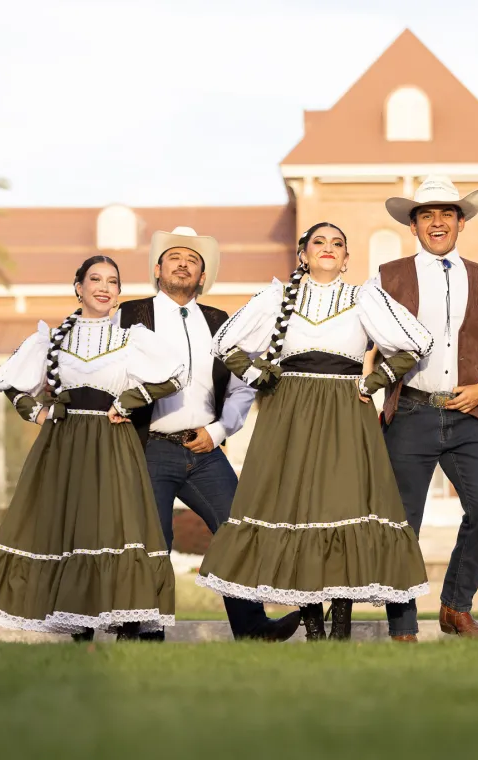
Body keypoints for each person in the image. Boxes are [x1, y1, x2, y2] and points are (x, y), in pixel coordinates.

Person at [196, 222, 432, 640]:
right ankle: (313, 626)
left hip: (345, 411)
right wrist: (259, 375)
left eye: (337, 244)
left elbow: (416, 342)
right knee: (295, 510)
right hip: (288, 414)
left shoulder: (365, 297)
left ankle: (340, 629)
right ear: (302, 254)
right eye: (318, 242)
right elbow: (225, 343)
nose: (328, 249)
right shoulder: (277, 297)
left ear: (346, 259)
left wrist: (372, 382)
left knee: (340, 509)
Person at [0, 256, 182, 640]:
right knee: (69, 527)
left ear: (118, 293)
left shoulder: (132, 339)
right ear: (77, 286)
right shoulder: (51, 340)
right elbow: (11, 384)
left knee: (115, 526)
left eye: (112, 281)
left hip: (112, 443)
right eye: (94, 279)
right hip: (63, 445)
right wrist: (38, 413)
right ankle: (78, 629)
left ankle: (124, 620)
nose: (103, 286)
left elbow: (175, 375)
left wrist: (128, 400)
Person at [115, 226, 300, 642]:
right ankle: (142, 633)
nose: (183, 264)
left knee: (237, 530)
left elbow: (241, 386)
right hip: (148, 447)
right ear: (158, 268)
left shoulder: (222, 323)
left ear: (202, 276)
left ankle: (254, 629)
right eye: (175, 257)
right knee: (151, 539)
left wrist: (217, 431)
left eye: (193, 260)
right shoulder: (129, 315)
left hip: (205, 450)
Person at [373, 176, 478, 641]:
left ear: (461, 222)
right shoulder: (386, 276)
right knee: (403, 524)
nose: (437, 223)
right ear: (414, 226)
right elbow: (367, 343)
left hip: (468, 413)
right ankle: (402, 625)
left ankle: (456, 607)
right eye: (426, 215)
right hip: (410, 412)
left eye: (446, 214)